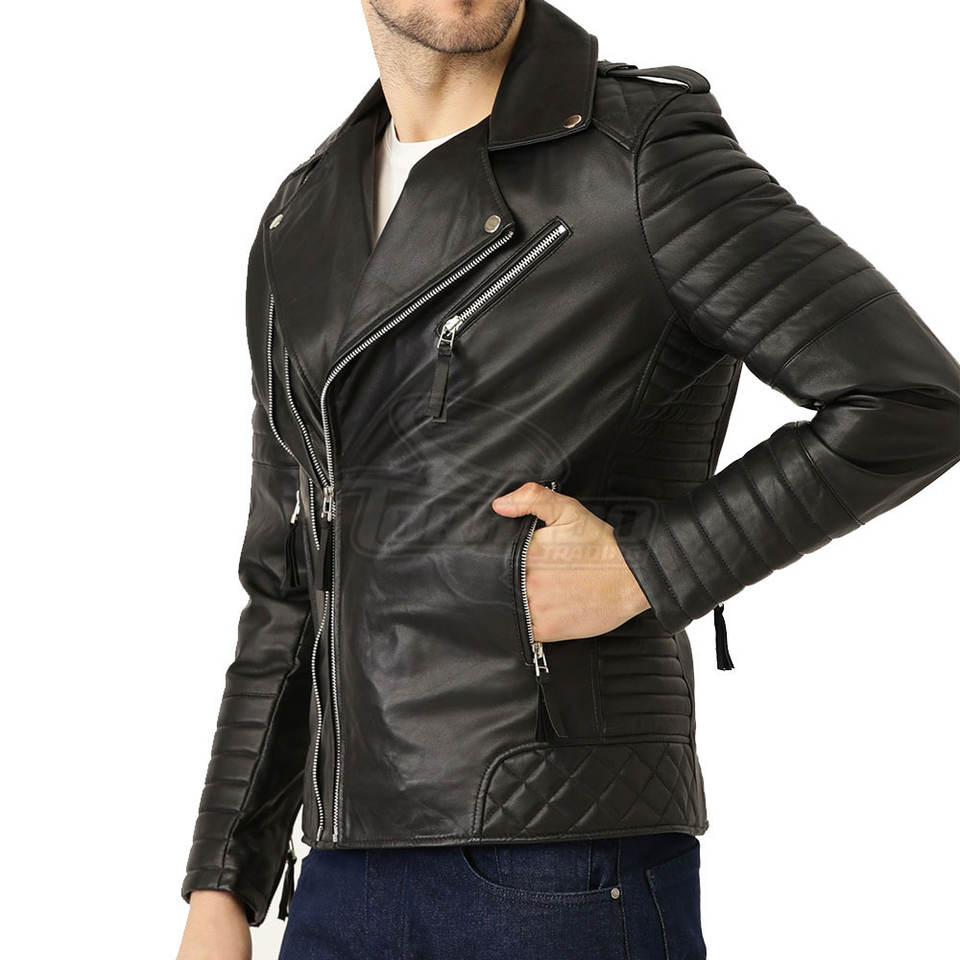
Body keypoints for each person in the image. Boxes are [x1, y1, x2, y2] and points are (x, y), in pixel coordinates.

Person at [176, 1, 960, 958]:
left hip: (562, 860)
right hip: (341, 876)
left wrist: (647, 567)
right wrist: (223, 881)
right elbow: (287, 581)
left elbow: (911, 399)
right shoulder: (300, 220)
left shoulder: (635, 153)